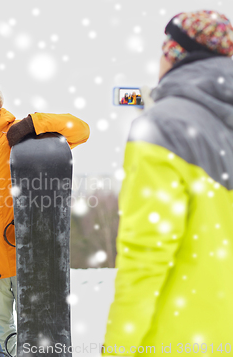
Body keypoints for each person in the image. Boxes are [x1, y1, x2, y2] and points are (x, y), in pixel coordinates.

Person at [103, 10, 233, 356]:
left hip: (179, 337)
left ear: (173, 53)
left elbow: (145, 256)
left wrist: (116, 348)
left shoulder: (162, 127)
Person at [0, 75, 90, 355]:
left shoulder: (23, 135)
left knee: (37, 333)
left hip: (26, 258)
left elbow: (81, 131)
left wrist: (34, 123)